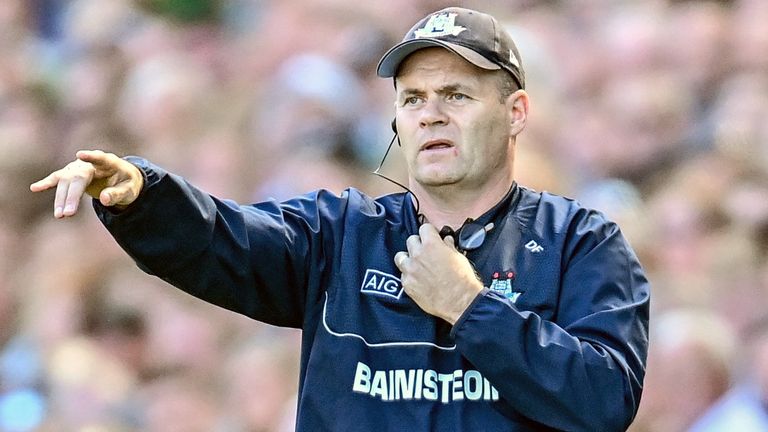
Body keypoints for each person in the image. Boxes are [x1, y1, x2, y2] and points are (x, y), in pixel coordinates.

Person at [30, 7, 650, 431]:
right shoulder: (339, 234)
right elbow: (223, 241)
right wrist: (144, 192)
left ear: (516, 112)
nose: (430, 114)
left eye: (456, 95)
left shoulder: (583, 242)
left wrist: (470, 308)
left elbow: (603, 402)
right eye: (412, 99)